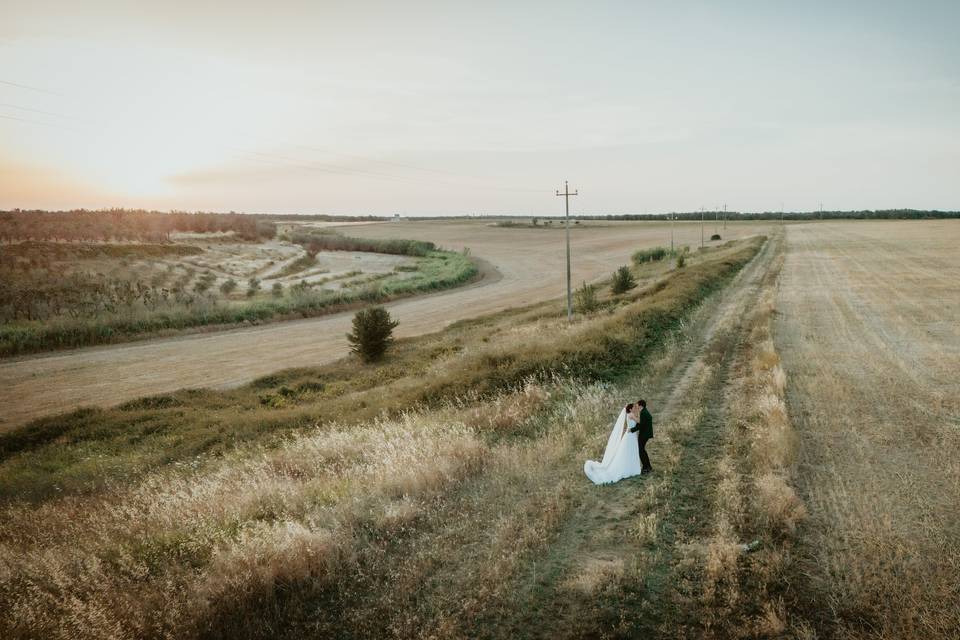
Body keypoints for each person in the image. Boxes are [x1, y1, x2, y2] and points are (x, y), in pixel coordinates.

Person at [583, 403, 642, 484]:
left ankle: (631, 467)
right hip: (630, 436)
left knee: (630, 451)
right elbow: (639, 421)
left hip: (630, 435)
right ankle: (629, 468)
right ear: (630, 409)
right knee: (629, 451)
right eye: (634, 408)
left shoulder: (630, 414)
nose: (635, 408)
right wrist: (639, 413)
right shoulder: (631, 415)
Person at [629, 399, 653, 473]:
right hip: (645, 433)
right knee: (642, 450)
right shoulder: (643, 411)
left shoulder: (643, 413)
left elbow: (641, 425)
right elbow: (641, 423)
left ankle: (646, 467)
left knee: (641, 451)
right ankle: (648, 466)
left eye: (637, 405)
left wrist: (632, 430)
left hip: (644, 434)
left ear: (640, 405)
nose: (636, 406)